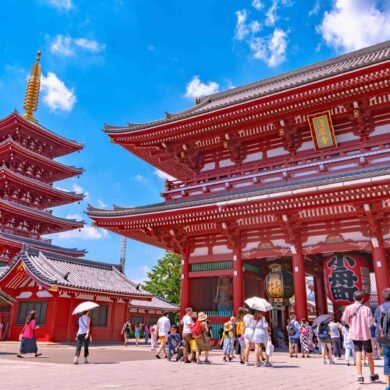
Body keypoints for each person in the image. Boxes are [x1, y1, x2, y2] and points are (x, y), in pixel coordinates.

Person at [342, 290, 379, 384]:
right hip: (366, 334)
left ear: (353, 298)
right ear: (362, 298)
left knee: (358, 355)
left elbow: (345, 320)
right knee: (369, 356)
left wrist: (351, 325)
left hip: (355, 334)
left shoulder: (348, 308)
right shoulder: (366, 309)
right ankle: (372, 375)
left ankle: (360, 376)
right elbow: (370, 323)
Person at [374, 288, 390, 390]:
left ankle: (388, 385)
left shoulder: (379, 308)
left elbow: (376, 323)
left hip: (385, 338)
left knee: (387, 360)